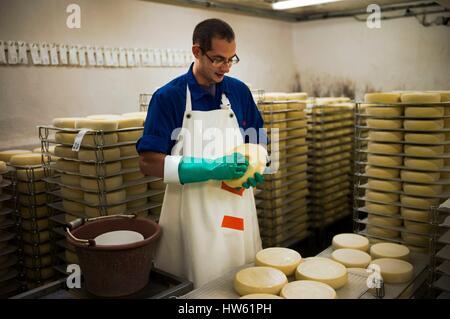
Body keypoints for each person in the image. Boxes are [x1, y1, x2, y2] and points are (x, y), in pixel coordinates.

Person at [137, 18, 267, 288]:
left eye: (232, 59)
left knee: (245, 283)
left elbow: (258, 138)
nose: (226, 67)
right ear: (197, 52)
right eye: (218, 59)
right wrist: (211, 169)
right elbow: (148, 162)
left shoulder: (239, 92)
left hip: (236, 208)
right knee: (201, 286)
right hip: (192, 214)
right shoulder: (168, 97)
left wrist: (261, 164)